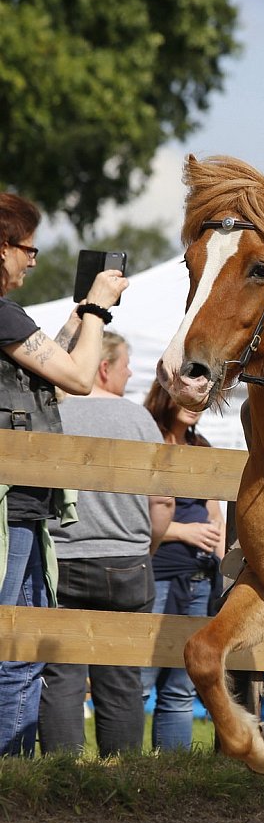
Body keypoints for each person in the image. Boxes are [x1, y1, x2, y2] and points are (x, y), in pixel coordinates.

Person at [0, 191, 128, 756]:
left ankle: (20, 773)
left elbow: (47, 374)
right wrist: (99, 309)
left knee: (26, 648)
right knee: (13, 647)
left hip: (24, 505)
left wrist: (81, 315)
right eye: (26, 248)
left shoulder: (9, 319)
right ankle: (11, 770)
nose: (32, 260)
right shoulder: (1, 312)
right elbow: (78, 379)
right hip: (9, 508)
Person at [37, 333, 174, 758]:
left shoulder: (52, 415)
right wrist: (145, 550)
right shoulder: (137, 420)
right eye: (125, 364)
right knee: (121, 680)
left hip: (60, 559)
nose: (131, 372)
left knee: (61, 676)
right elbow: (164, 501)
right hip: (126, 561)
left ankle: (63, 774)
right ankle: (122, 777)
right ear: (103, 366)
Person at [140, 381, 225, 749]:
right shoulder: (147, 439)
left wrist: (224, 570)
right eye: (187, 397)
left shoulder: (201, 447)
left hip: (201, 579)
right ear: (166, 395)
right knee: (140, 679)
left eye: (201, 400)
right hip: (158, 574)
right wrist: (183, 532)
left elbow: (215, 515)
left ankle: (171, 772)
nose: (196, 405)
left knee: (181, 685)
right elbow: (135, 514)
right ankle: (120, 765)